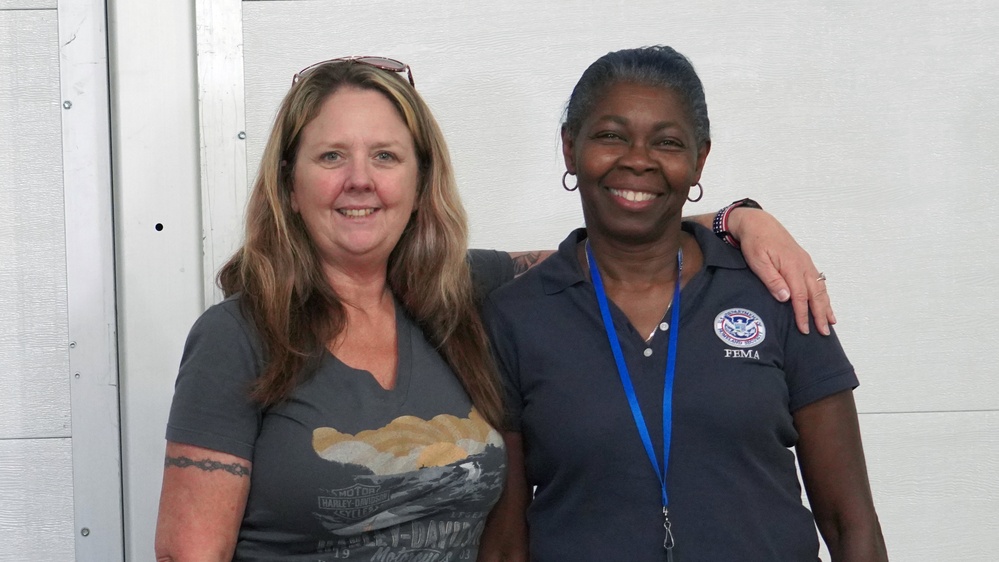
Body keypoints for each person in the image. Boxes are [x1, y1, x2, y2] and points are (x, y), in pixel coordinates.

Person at [154, 55, 840, 562]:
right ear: (288, 182)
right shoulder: (237, 339)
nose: (359, 180)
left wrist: (737, 220)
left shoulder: (464, 294)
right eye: (331, 156)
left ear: (420, 180)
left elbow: (620, 238)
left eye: (385, 156)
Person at [480, 46, 888, 561]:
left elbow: (850, 522)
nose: (637, 159)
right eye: (610, 135)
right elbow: (505, 543)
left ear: (699, 161)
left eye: (667, 142)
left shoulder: (776, 290)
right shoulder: (514, 317)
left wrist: (740, 216)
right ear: (569, 149)